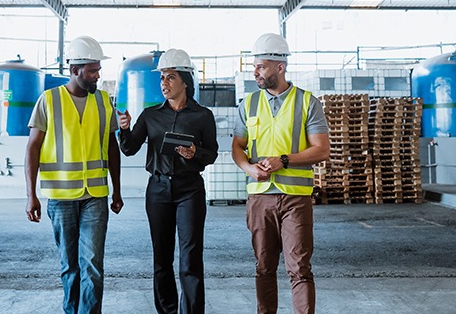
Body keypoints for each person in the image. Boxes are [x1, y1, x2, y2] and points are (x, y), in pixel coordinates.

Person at [231, 33, 330, 314]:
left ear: (280, 67)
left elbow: (322, 150)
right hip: (259, 199)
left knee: (299, 267)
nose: (255, 72)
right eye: (255, 66)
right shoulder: (248, 104)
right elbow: (237, 147)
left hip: (295, 199)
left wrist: (284, 160)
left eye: (261, 66)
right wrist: (249, 168)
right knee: (263, 267)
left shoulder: (307, 102)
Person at [25, 35, 124, 314]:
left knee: (93, 265)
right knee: (70, 266)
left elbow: (111, 147)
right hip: (60, 197)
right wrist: (31, 195)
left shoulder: (104, 102)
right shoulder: (49, 100)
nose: (97, 75)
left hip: (95, 195)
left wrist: (117, 190)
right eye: (92, 70)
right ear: (75, 71)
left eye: (98, 70)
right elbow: (32, 147)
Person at [117, 48, 218, 314]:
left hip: (190, 191)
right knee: (162, 259)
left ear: (185, 80)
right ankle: (167, 311)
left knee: (190, 259)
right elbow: (129, 149)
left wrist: (195, 152)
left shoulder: (203, 116)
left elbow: (212, 154)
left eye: (170, 77)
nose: (164, 83)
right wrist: (124, 129)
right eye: (161, 78)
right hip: (158, 190)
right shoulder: (151, 116)